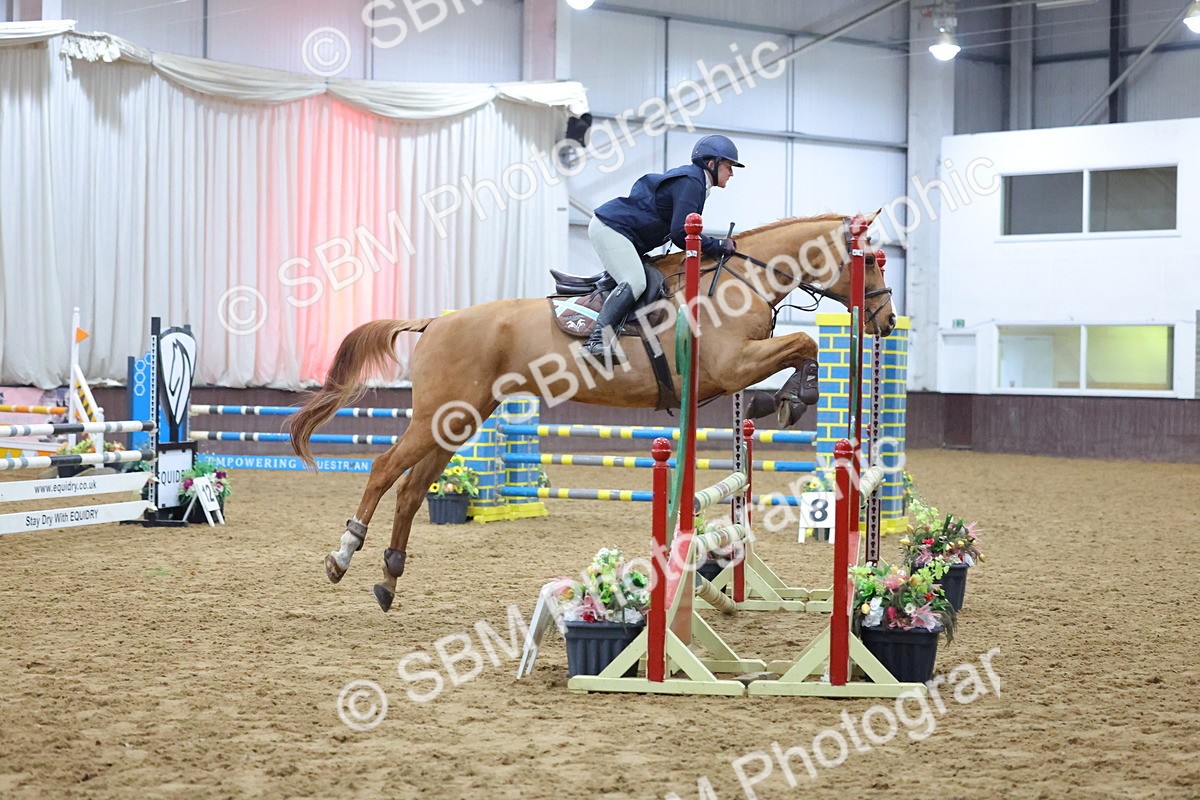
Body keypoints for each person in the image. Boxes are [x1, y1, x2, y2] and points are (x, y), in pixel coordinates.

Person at [584, 134, 743, 359]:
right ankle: (595, 341)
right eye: (728, 166)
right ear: (711, 164)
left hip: (625, 234)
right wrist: (716, 245)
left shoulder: (697, 182)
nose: (732, 173)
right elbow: (681, 233)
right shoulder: (692, 182)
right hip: (611, 228)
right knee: (636, 281)